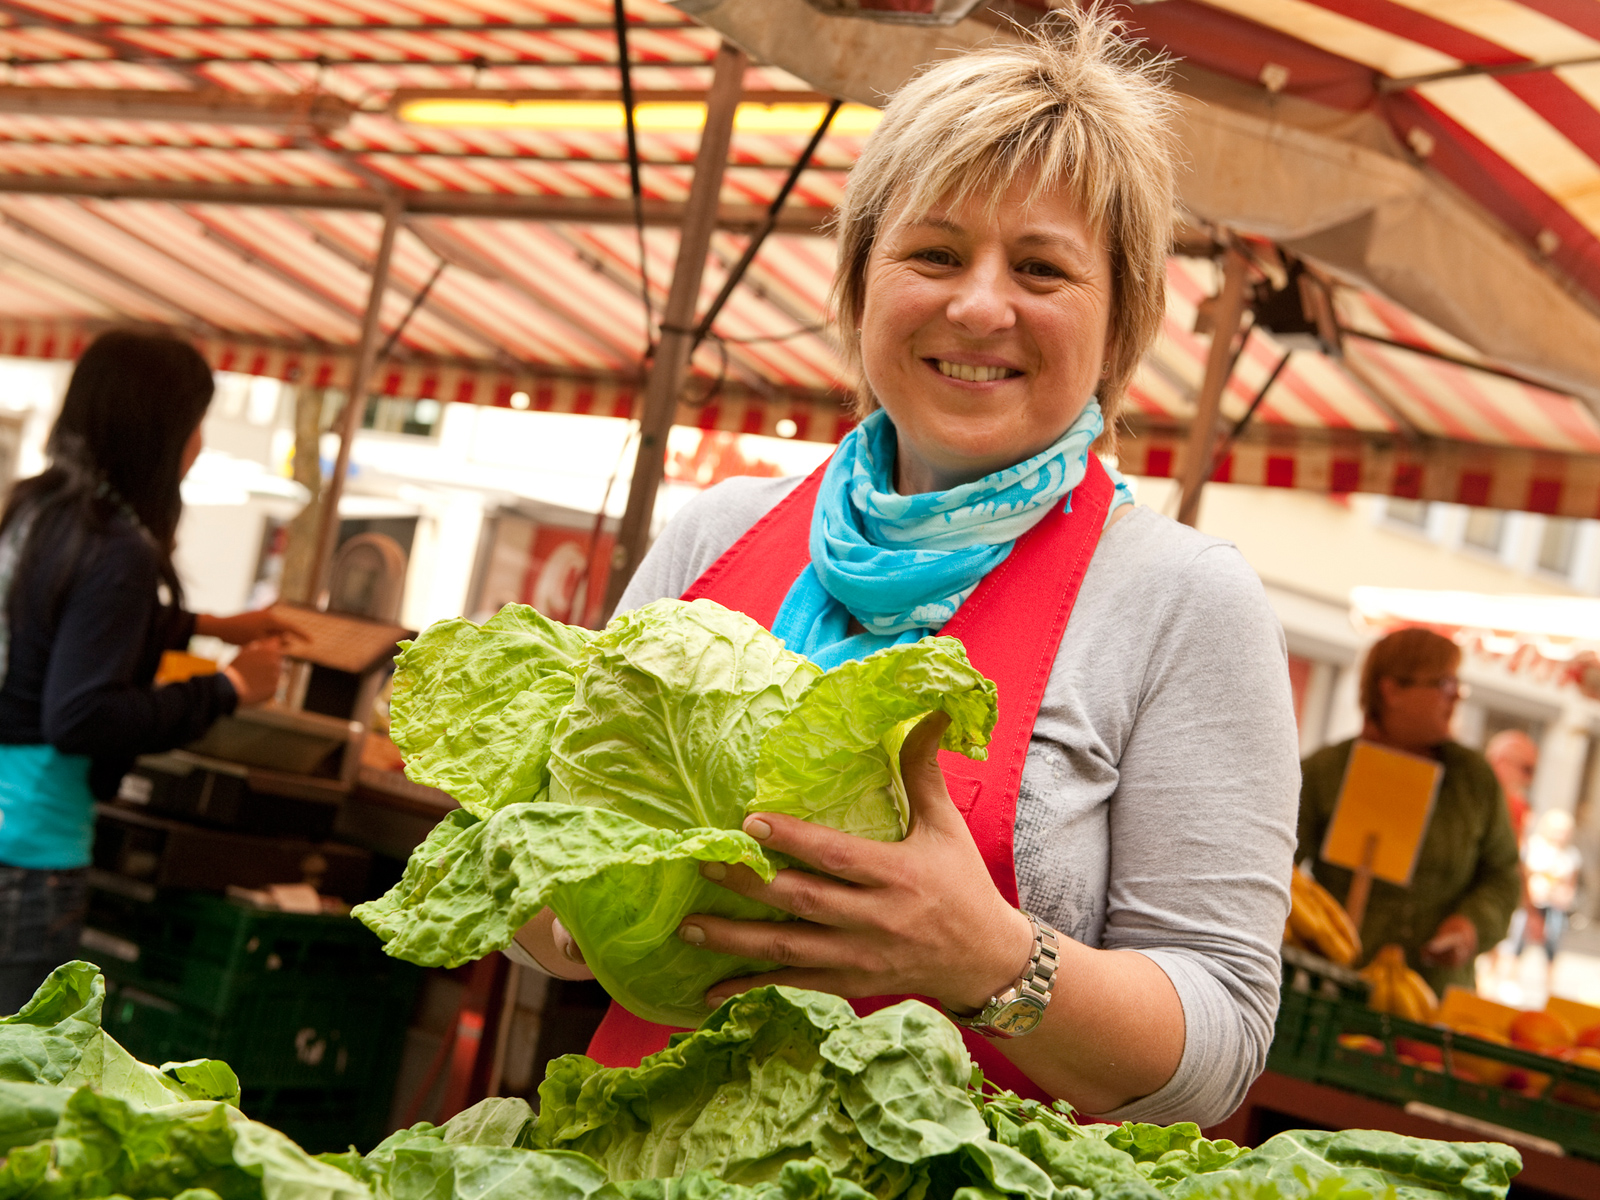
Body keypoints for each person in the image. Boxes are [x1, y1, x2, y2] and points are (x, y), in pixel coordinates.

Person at [508, 8, 1300, 1125]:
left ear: (1119, 319)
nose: (979, 305)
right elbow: (546, 921)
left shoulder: (1181, 603)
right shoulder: (712, 535)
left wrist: (987, 958)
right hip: (635, 1157)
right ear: (863, 279)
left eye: (1040, 268)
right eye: (934, 253)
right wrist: (563, 903)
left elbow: (1218, 1040)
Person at [0, 329, 290, 1013]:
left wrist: (208, 627)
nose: (200, 445)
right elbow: (80, 716)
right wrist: (229, 687)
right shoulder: (118, 548)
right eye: (195, 425)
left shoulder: (36, 507)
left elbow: (57, 627)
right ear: (158, 432)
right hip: (31, 852)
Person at [1298, 628, 1521, 995]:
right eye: (1444, 685)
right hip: (1330, 991)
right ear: (1392, 690)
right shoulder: (1326, 772)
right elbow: (1276, 867)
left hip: (1433, 998)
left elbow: (1503, 876)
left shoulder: (1474, 779)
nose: (1456, 699)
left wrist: (1470, 926)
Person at [1511, 808, 1581, 967]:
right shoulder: (1534, 847)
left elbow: (1570, 885)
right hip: (1532, 902)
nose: (1560, 835)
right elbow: (1523, 875)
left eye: (1564, 831)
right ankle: (1509, 979)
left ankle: (1548, 987)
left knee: (1551, 947)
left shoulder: (1571, 855)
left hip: (1554, 906)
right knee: (1517, 944)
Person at [1486, 729, 1538, 845]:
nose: (1529, 780)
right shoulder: (1470, 795)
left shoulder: (1519, 806)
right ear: (1501, 762)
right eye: (1526, 769)